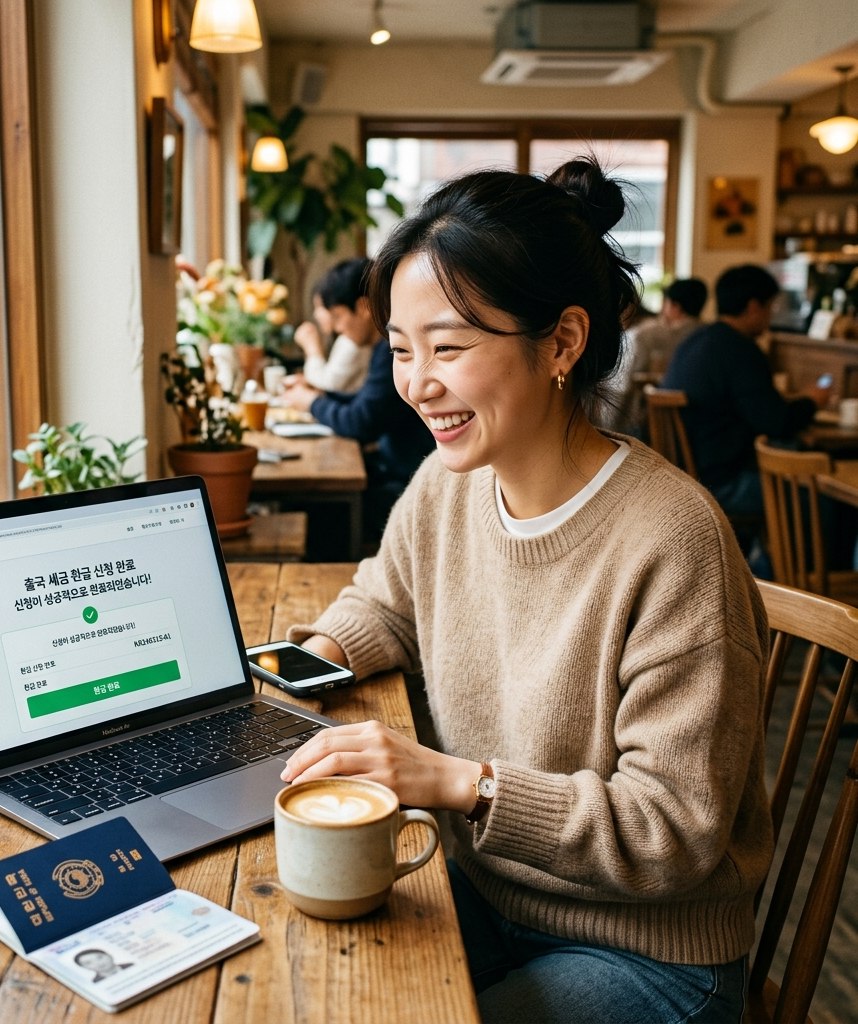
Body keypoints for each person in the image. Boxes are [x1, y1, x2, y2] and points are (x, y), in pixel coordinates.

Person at [278, 164, 772, 1023]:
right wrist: (313, 659)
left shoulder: (674, 540)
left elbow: (674, 829)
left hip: (644, 952)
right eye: (400, 348)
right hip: (484, 889)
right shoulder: (450, 481)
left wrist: (463, 784)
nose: (416, 382)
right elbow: (386, 600)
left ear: (563, 342)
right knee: (308, 977)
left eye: (451, 347)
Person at [283, 257, 435, 540]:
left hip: (408, 482)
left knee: (316, 513)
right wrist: (321, 395)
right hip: (395, 467)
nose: (337, 328)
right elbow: (365, 404)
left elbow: (360, 421)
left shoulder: (392, 351)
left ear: (364, 307)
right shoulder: (383, 348)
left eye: (338, 316)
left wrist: (312, 403)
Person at [663, 264, 820, 523]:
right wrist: (812, 401)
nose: (770, 316)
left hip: (684, 475)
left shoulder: (695, 340)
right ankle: (788, 565)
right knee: (819, 496)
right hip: (720, 483)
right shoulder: (741, 350)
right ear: (753, 306)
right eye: (770, 307)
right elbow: (777, 422)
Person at [613, 278, 707, 432]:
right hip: (699, 427)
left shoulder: (644, 334)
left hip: (650, 427)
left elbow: (624, 386)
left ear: (674, 306)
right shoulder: (709, 337)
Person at [294, 288, 372, 394]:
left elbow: (329, 385)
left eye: (320, 306)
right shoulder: (341, 337)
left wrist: (312, 347)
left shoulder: (353, 338)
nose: (315, 314)